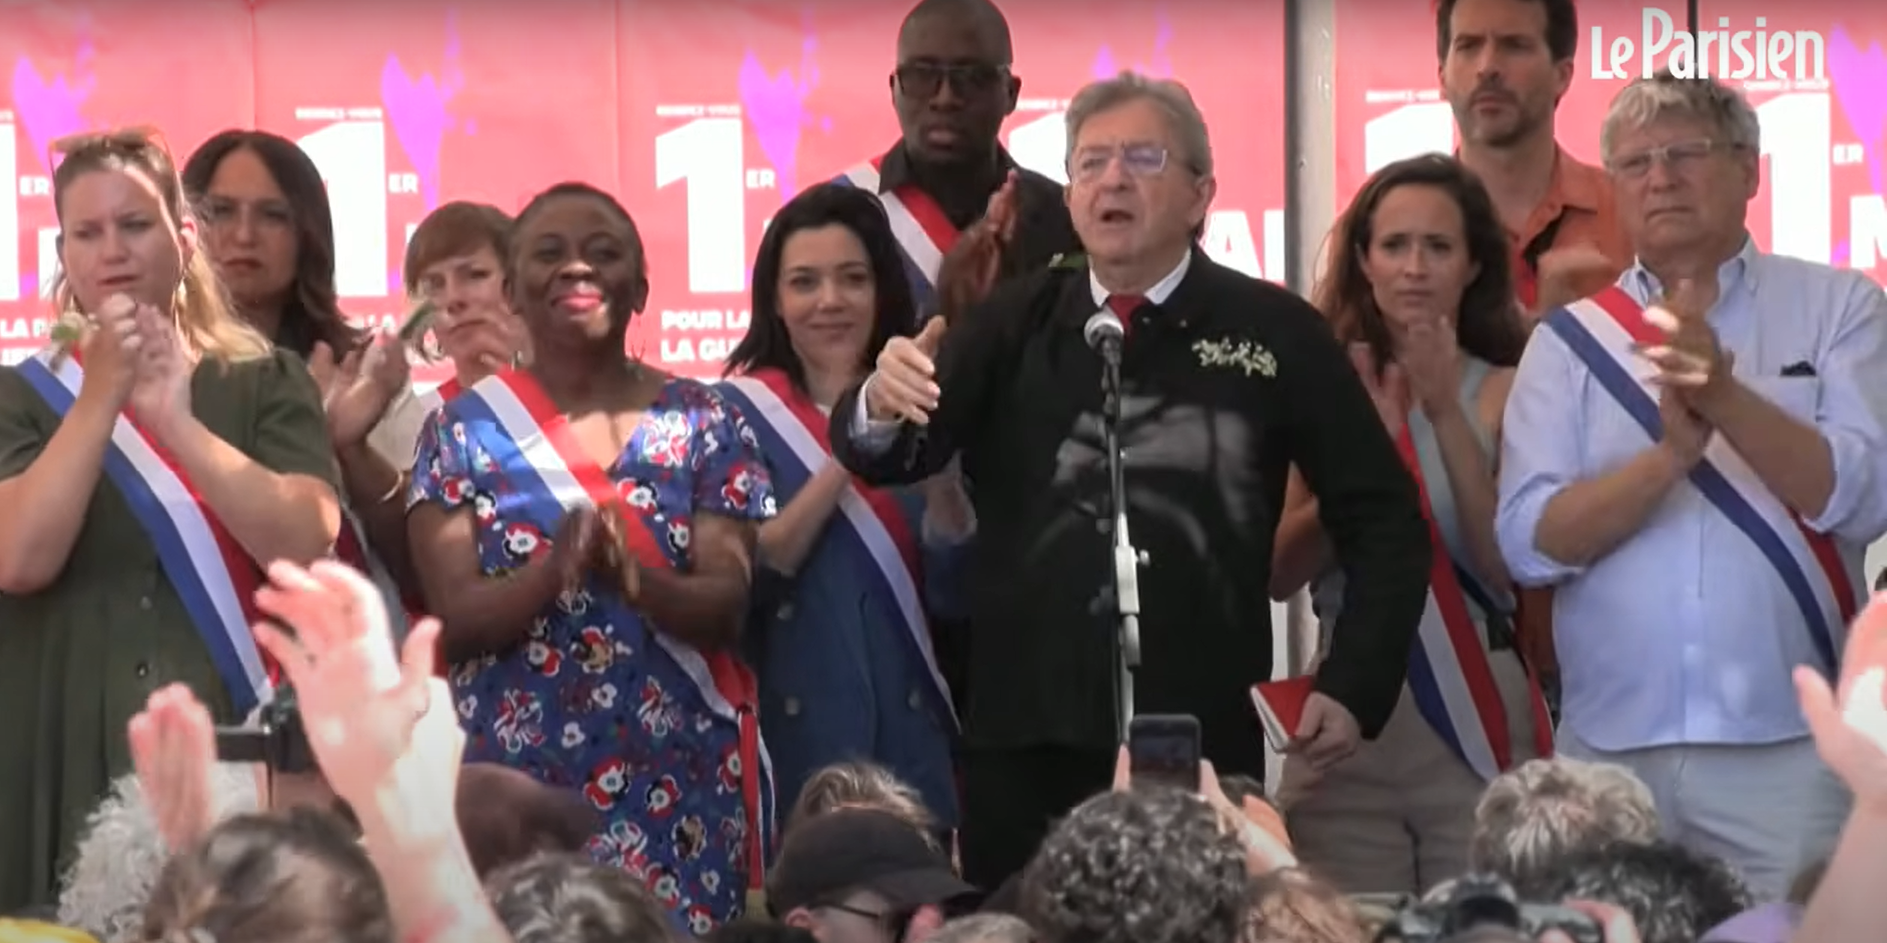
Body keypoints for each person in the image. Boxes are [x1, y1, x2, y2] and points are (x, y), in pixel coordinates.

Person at [829, 72, 1432, 890]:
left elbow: (1383, 519)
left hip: (1195, 735)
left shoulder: (1273, 330)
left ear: (1199, 195)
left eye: (1142, 159)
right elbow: (893, 452)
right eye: (1090, 162)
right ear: (1070, 195)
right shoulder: (1012, 320)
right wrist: (877, 400)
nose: (1111, 179)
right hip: (1025, 738)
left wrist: (1353, 681)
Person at [1497, 72, 1887, 899]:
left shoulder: (1838, 306)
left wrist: (1723, 396)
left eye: (1684, 153)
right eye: (1635, 163)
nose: (1660, 178)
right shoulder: (1569, 340)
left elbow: (1863, 495)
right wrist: (1666, 460)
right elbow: (1527, 542)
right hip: (1608, 750)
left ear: (1749, 170)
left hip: (1789, 753)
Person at [404, 181, 777, 932]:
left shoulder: (705, 419)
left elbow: (726, 601)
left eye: (603, 253)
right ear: (513, 290)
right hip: (516, 796)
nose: (576, 267)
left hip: (678, 786)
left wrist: (636, 581)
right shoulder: (460, 431)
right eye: (549, 253)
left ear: (640, 288)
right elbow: (456, 619)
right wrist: (553, 572)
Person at [0, 128, 341, 911]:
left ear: (185, 239)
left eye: (135, 224)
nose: (113, 250)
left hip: (222, 742)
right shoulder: (19, 396)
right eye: (87, 232)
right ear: (64, 253)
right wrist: (100, 396)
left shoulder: (264, 379)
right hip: (53, 746)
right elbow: (19, 555)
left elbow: (305, 538)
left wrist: (178, 425)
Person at [1273, 155, 1550, 894]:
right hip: (1350, 698)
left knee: (1484, 923)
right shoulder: (1320, 387)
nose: (1415, 267)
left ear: (1473, 264)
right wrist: (1370, 460)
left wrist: (1441, 412)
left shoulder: (1512, 384)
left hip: (1476, 702)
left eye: (1438, 246)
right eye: (1394, 245)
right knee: (1345, 924)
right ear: (1364, 261)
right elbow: (1279, 570)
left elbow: (1504, 565)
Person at [720, 184, 972, 830]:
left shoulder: (933, 402)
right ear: (775, 300)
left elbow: (956, 599)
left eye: (852, 278)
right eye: (804, 282)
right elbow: (754, 572)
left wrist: (945, 491)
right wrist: (863, 434)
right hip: (795, 741)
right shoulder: (733, 414)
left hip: (912, 743)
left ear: (882, 289)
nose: (829, 300)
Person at [1436, 0, 1634, 697]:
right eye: (1468, 46)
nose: (1487, 67)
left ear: (1563, 73)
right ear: (1441, 71)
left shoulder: (1633, 216)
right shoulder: (1390, 228)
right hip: (1443, 642)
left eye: (1514, 46)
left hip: (1609, 619)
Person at [836, 0, 1079, 318]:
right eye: (922, 76)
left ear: (1010, 92)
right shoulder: (836, 212)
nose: (945, 98)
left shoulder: (1065, 220)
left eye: (972, 78)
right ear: (894, 89)